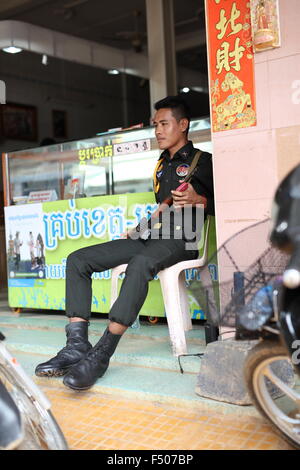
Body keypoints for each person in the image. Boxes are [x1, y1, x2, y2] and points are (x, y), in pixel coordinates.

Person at [35, 95, 215, 391]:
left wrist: (200, 200)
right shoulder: (161, 165)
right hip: (153, 236)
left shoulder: (203, 162)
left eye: (164, 124)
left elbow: (225, 201)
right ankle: (76, 345)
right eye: (156, 124)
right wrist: (135, 231)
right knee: (78, 260)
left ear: (183, 125)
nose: (158, 130)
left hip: (184, 240)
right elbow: (163, 208)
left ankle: (102, 353)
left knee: (140, 263)